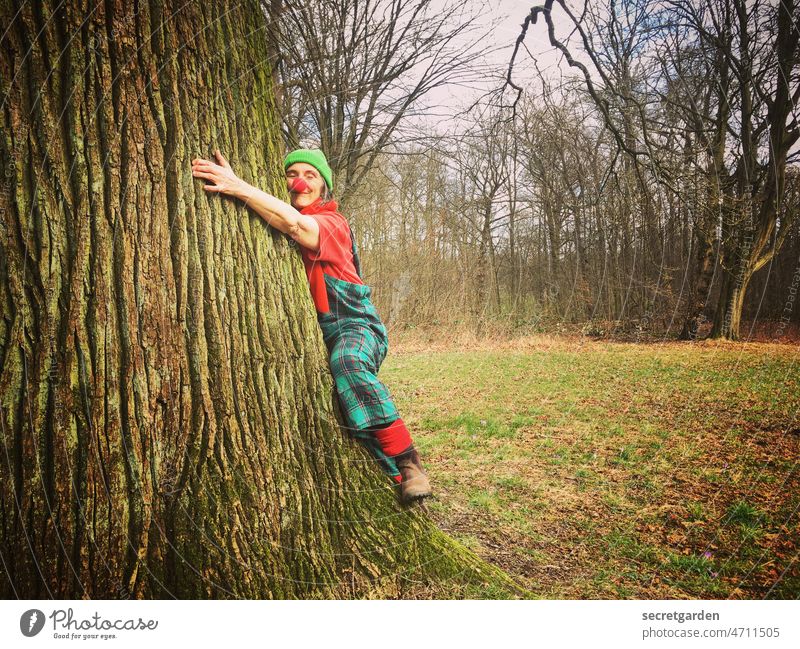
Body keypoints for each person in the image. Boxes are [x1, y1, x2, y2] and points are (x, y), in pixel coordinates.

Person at [190, 148, 432, 505]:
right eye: (291, 174)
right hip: (321, 335)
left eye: (310, 175)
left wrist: (236, 186)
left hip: (356, 326)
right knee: (344, 410)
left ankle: (409, 462)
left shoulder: (333, 224)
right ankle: (394, 478)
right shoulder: (275, 219)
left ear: (324, 187)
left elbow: (296, 224)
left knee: (348, 364)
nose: (299, 181)